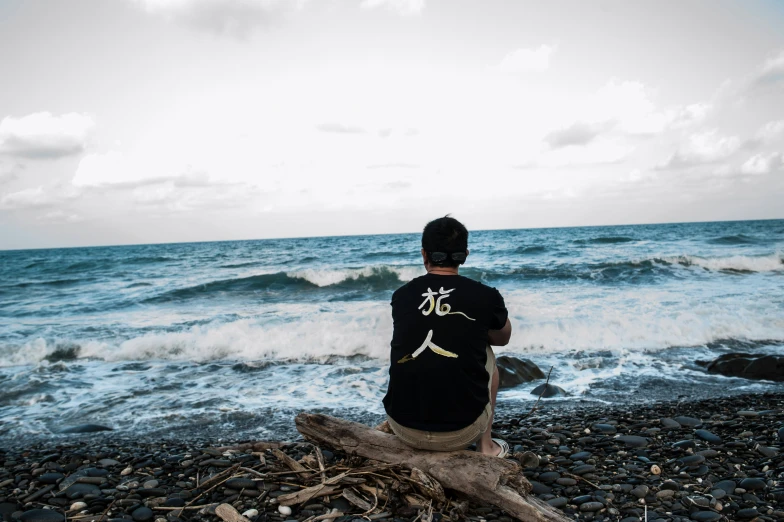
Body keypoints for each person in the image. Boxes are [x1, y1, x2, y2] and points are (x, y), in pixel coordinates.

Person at [382, 216, 512, 456]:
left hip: (403, 428)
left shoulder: (402, 295)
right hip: (461, 433)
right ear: (465, 254)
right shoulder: (486, 295)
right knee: (486, 351)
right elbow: (503, 338)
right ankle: (486, 447)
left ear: (424, 254)